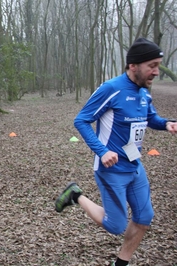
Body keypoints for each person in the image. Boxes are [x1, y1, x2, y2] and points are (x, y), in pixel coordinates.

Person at [55, 38, 177, 266]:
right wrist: (102, 151)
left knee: (144, 218)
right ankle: (76, 195)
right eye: (152, 65)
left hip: (134, 166)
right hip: (111, 169)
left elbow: (150, 118)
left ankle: (121, 263)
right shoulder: (111, 88)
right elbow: (81, 120)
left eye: (158, 65)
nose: (156, 72)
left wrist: (166, 123)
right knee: (116, 225)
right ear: (133, 66)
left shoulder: (144, 92)